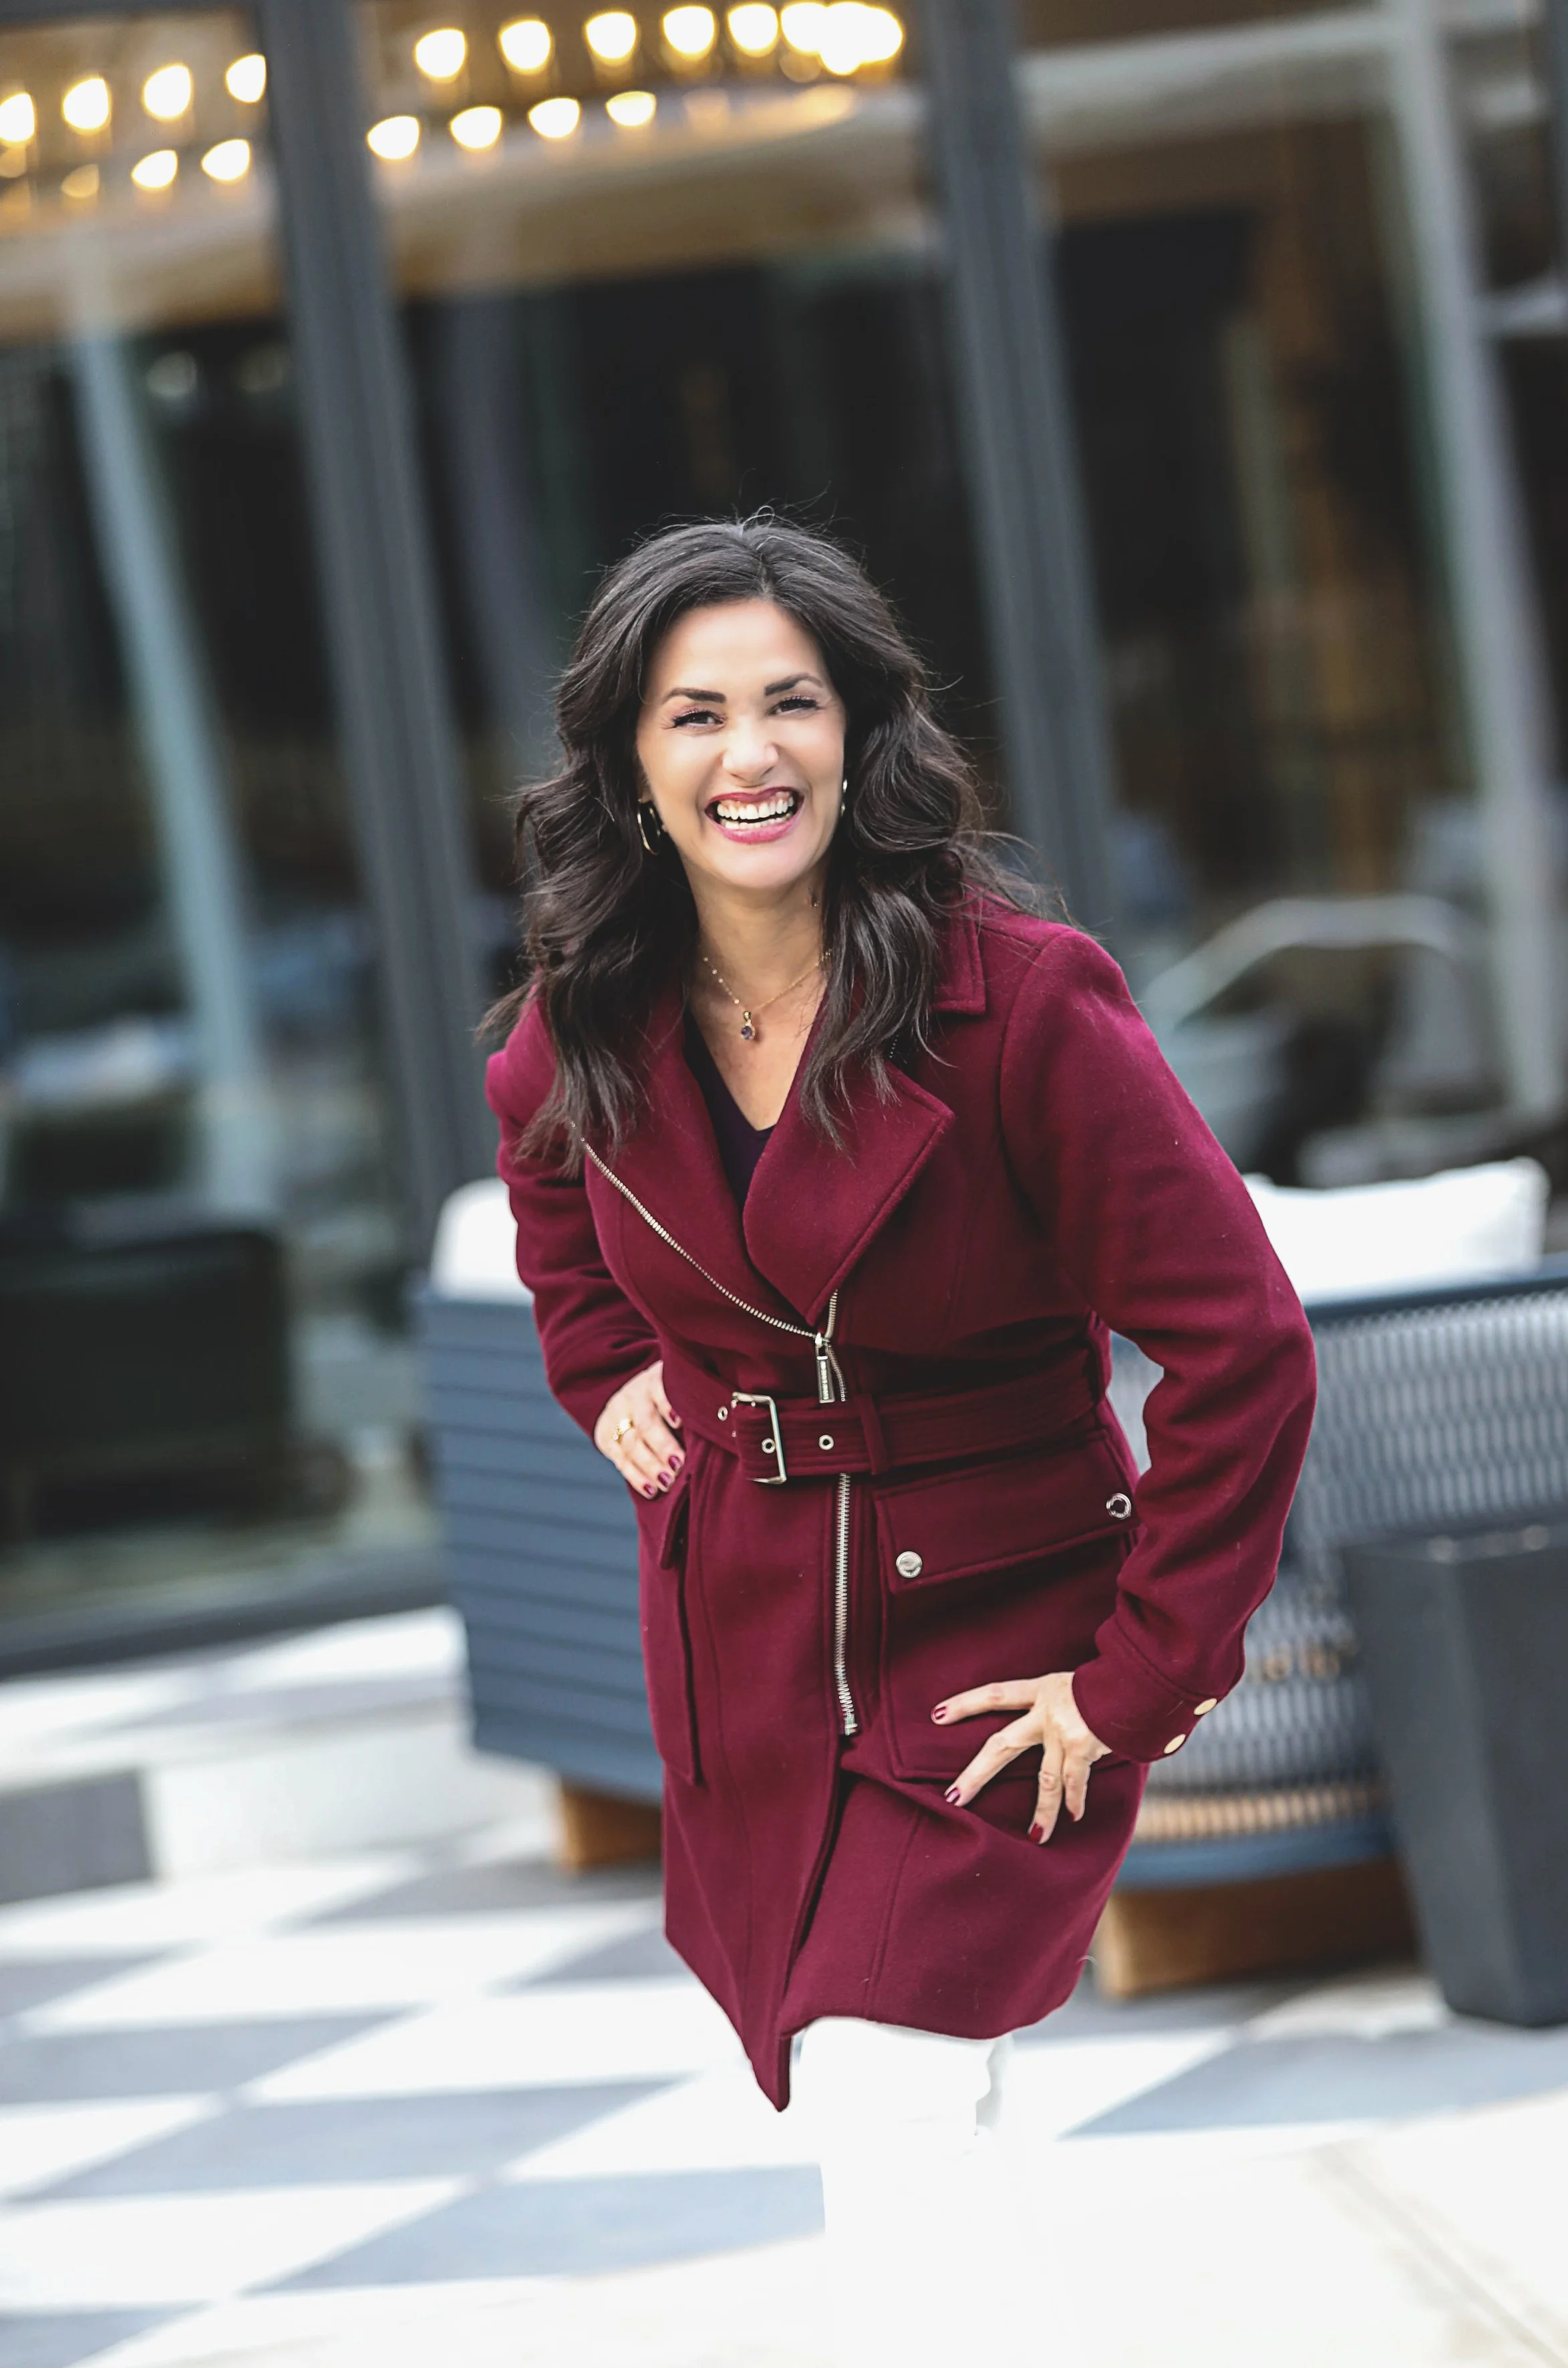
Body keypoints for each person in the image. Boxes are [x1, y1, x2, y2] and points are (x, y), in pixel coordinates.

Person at [485, 515, 1315, 2360]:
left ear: (862, 735)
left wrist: (1138, 1677)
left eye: (790, 702)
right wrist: (599, 1358)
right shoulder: (585, 1029)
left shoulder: (1022, 1005)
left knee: (884, 2083)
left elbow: (1240, 1348)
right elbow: (551, 1195)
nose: (745, 751)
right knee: (934, 2096)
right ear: (631, 761)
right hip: (750, 1638)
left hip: (999, 1649)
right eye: (693, 714)